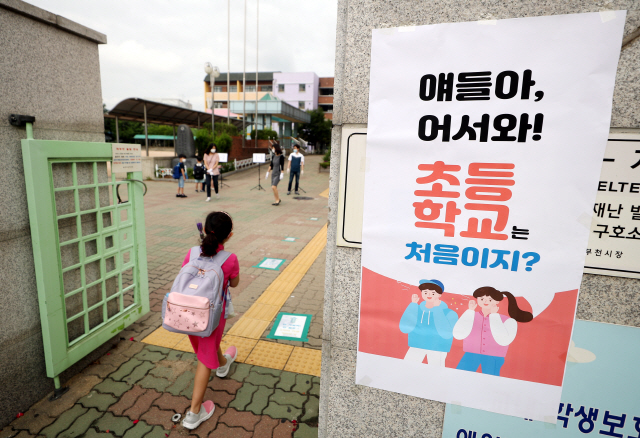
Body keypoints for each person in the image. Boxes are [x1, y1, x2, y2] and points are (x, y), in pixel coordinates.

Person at [182, 211, 240, 429]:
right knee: (205, 359)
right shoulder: (230, 259)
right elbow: (233, 284)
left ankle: (223, 364)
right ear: (230, 235)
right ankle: (194, 413)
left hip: (187, 312)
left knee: (206, 348)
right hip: (211, 316)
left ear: (204, 230)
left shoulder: (192, 252)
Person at [453, 286, 533, 376]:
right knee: (458, 376)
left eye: (490, 299)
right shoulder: (470, 315)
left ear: (497, 301)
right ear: (477, 300)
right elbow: (458, 335)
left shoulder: (508, 321)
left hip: (494, 357)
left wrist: (494, 316)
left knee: (490, 382)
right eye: (482, 299)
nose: (485, 302)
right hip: (470, 355)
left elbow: (504, 341)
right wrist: (470, 311)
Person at [399, 279, 458, 366]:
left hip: (438, 349)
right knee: (406, 369)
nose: (429, 295)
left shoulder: (449, 313)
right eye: (425, 292)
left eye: (433, 293)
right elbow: (404, 328)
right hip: (416, 346)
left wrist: (437, 309)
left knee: (435, 375)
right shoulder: (416, 308)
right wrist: (413, 305)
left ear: (440, 294)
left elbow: (447, 334)